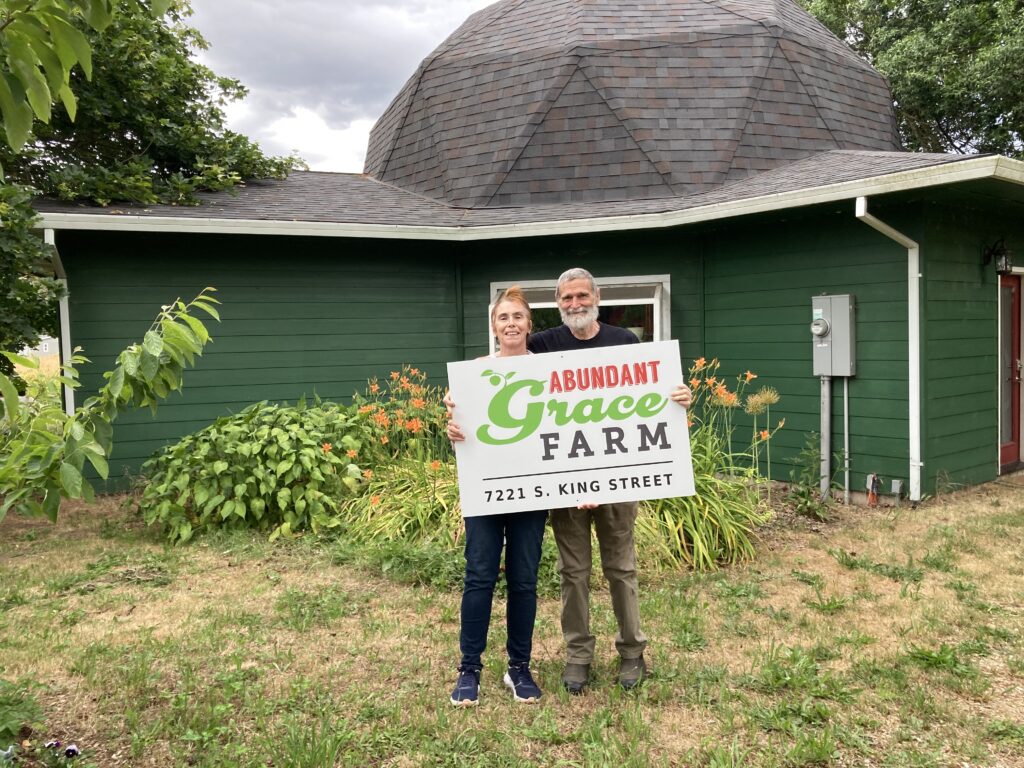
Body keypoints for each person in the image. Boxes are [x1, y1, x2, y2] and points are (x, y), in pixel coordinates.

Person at [448, 268, 692, 695]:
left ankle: (632, 652)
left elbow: (651, 396)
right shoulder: (544, 347)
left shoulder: (625, 343)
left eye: (582, 295)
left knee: (621, 568)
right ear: (557, 306)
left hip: (616, 482)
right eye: (567, 298)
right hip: (562, 488)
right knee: (572, 573)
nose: (575, 304)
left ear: (596, 297)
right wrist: (458, 402)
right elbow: (499, 374)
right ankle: (578, 655)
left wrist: (679, 398)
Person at [449, 286, 548, 707]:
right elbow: (460, 428)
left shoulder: (548, 370)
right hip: (487, 489)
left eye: (518, 317)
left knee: (524, 580)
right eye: (503, 317)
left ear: (529, 324)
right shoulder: (475, 372)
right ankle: (469, 669)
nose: (511, 324)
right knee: (479, 577)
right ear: (494, 326)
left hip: (532, 490)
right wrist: (451, 425)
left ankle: (518, 668)